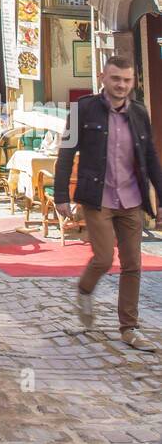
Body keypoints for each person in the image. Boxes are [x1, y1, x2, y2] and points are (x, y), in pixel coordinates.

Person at [54, 54, 162, 351]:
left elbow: (150, 157)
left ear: (133, 82)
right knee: (103, 258)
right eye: (116, 79)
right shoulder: (82, 109)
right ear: (103, 77)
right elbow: (66, 152)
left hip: (131, 198)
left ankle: (129, 328)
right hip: (97, 197)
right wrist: (61, 194)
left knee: (133, 264)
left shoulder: (139, 113)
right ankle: (85, 289)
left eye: (127, 80)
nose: (121, 85)